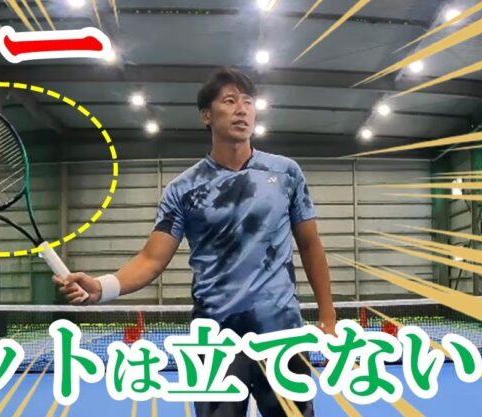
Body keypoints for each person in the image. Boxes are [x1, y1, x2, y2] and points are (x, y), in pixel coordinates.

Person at [54, 67, 336, 417]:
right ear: (206, 115)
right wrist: (102, 287)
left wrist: (328, 317)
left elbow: (310, 245)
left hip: (281, 333)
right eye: (229, 101)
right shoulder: (183, 189)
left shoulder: (286, 173)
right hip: (215, 339)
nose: (242, 109)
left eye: (248, 101)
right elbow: (151, 260)